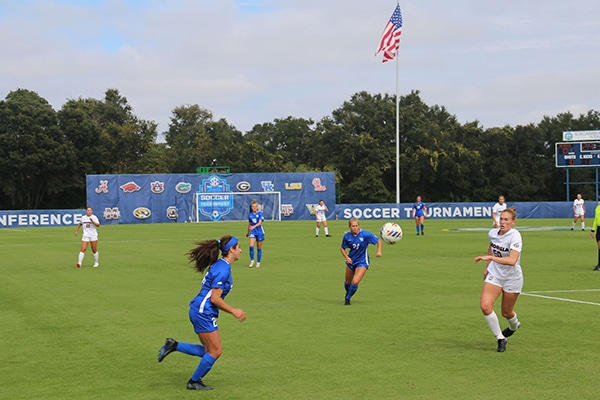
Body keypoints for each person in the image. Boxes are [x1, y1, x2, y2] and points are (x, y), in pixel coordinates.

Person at [157, 235, 246, 391]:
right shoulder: (223, 269)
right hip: (203, 312)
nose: (241, 250)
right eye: (238, 247)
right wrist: (234, 311)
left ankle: (174, 345)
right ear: (231, 249)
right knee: (216, 351)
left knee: (208, 351)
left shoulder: (221, 265)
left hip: (199, 309)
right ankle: (194, 382)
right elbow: (215, 299)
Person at [473, 207, 523, 352]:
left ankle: (514, 326)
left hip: (512, 278)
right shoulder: (493, 233)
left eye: (506, 220)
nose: (502, 222)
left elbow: (512, 260)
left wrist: (490, 258)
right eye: (501, 219)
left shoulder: (515, 236)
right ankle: (500, 338)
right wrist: (488, 267)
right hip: (495, 274)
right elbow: (491, 247)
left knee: (506, 312)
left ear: (513, 222)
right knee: (485, 306)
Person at [340, 218, 382, 305]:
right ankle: (348, 293)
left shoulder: (365, 234)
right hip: (351, 260)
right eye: (353, 226)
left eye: (356, 226)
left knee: (355, 282)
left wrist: (379, 251)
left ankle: (347, 298)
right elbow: (342, 248)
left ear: (359, 226)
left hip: (362, 261)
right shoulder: (347, 236)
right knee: (348, 282)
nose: (355, 228)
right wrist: (346, 257)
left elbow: (378, 240)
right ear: (349, 227)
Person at [246, 200, 265, 268]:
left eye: (255, 206)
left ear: (257, 207)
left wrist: (253, 226)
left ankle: (258, 262)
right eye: (253, 206)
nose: (254, 208)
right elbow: (249, 224)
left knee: (259, 248)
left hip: (260, 232)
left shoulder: (260, 213)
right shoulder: (250, 215)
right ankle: (252, 261)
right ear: (251, 207)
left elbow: (260, 222)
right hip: (253, 232)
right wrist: (248, 232)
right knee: (251, 246)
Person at [588, 202, 600, 271]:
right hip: (599, 229)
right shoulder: (597, 208)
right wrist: (592, 230)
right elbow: (595, 219)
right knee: (599, 247)